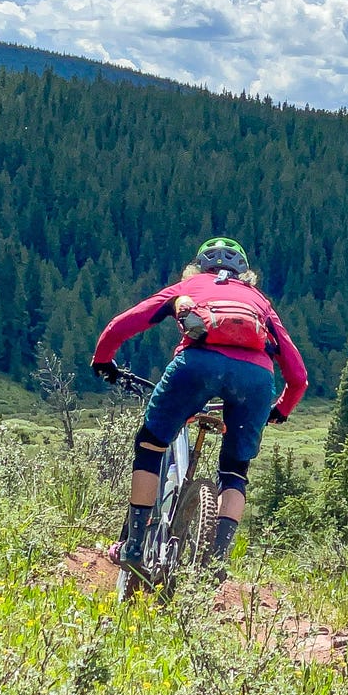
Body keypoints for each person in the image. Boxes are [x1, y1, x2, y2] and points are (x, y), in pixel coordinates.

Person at [91, 237, 307, 581]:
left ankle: (133, 545)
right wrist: (280, 409)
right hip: (255, 379)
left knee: (150, 445)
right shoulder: (260, 303)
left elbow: (123, 324)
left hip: (195, 366)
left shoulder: (188, 287)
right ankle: (217, 562)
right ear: (246, 275)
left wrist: (104, 362)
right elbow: (297, 375)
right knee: (235, 472)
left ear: (198, 268)